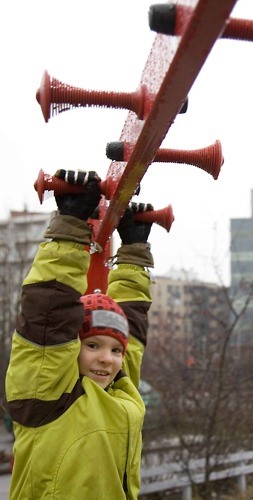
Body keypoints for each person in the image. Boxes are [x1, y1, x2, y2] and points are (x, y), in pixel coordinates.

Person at [4, 170, 155, 499]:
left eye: (115, 351)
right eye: (92, 345)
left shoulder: (119, 393)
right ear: (70, 346)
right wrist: (71, 226)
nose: (106, 358)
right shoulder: (47, 396)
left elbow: (132, 330)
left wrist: (133, 251)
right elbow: (49, 310)